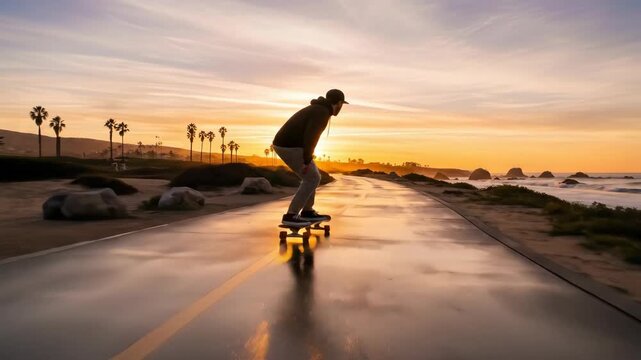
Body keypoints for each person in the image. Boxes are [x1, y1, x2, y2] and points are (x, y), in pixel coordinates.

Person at [272, 89, 348, 226]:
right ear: (339, 103)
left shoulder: (319, 109)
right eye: (342, 104)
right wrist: (307, 160)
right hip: (288, 146)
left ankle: (307, 211)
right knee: (312, 177)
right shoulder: (322, 113)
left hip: (288, 144)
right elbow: (311, 136)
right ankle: (291, 215)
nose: (341, 108)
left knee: (313, 177)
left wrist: (307, 158)